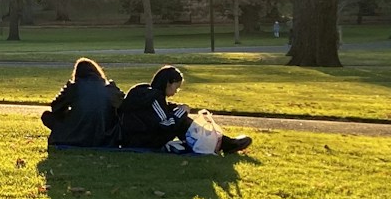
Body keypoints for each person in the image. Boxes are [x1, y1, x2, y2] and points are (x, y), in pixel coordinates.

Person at [119, 65, 251, 153]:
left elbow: (157, 113)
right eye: (176, 87)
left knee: (179, 117)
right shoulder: (155, 97)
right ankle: (224, 143)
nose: (176, 91)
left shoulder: (145, 93)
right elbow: (166, 125)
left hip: (133, 139)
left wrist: (176, 108)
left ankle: (219, 142)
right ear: (168, 83)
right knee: (180, 120)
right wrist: (181, 111)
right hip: (144, 142)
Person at [40, 58, 125, 147]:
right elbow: (124, 107)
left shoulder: (75, 87)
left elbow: (56, 107)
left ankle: (65, 134)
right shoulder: (110, 89)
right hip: (105, 137)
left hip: (75, 136)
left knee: (47, 116)